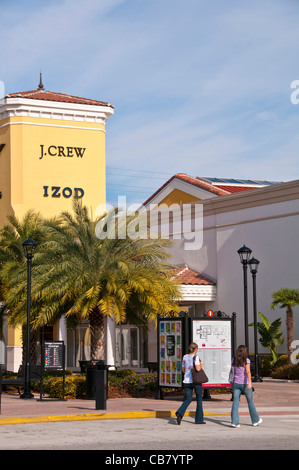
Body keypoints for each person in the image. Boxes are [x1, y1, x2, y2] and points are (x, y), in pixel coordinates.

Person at [230, 345, 262, 428]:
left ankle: (235, 422)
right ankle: (255, 420)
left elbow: (232, 371)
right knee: (250, 402)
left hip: (236, 384)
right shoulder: (246, 361)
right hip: (245, 384)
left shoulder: (234, 360)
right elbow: (248, 372)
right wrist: (250, 383)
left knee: (235, 402)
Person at [175, 342, 206, 425]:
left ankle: (180, 412)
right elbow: (198, 369)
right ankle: (199, 419)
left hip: (186, 381)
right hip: (195, 381)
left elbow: (183, 369)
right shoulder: (196, 357)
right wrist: (201, 364)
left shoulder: (185, 357)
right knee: (199, 399)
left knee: (188, 399)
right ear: (196, 349)